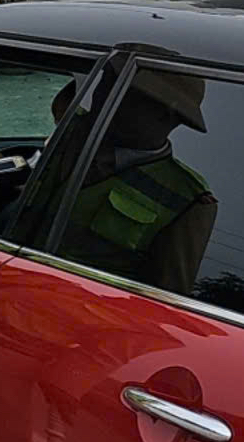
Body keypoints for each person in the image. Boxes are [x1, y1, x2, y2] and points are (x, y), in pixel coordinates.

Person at [51, 71, 216, 296]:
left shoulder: (185, 200)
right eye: (107, 83)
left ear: (166, 115)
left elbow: (164, 299)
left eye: (125, 92)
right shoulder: (72, 133)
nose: (104, 96)